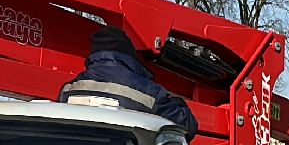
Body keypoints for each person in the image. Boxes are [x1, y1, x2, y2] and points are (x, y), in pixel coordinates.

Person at [58, 26, 198, 133]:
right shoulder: (150, 93)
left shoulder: (69, 90)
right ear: (129, 54)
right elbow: (187, 126)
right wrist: (179, 103)